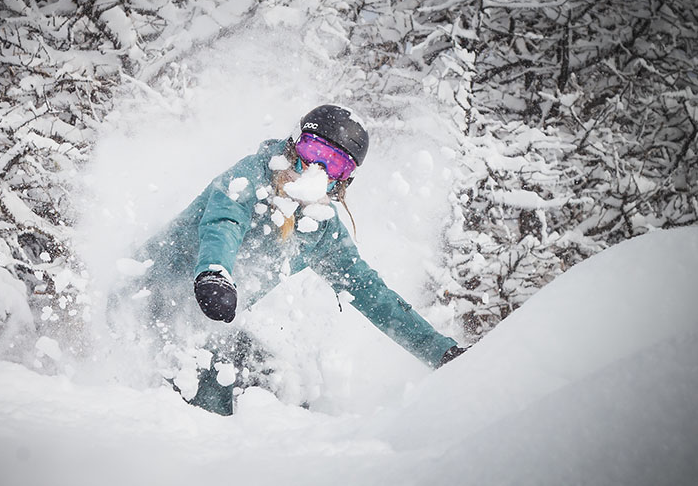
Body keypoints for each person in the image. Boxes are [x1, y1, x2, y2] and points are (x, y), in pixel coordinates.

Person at [118, 104, 465, 415]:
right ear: (293, 146)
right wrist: (214, 273)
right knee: (211, 388)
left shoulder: (321, 233)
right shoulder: (250, 177)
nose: (316, 170)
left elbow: (374, 295)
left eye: (334, 165)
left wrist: (440, 352)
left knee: (281, 384)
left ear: (343, 181)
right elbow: (223, 223)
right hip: (145, 302)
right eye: (313, 152)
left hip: (209, 323)